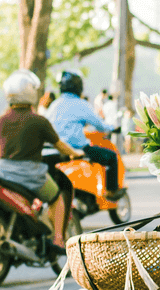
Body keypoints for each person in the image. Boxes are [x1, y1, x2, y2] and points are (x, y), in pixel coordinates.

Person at [0, 70, 82, 249]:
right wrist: (75, 154)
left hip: (1, 171)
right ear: (30, 92)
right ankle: (58, 239)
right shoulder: (38, 121)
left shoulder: (0, 120)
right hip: (29, 174)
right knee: (56, 197)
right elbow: (60, 145)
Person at [47, 71, 124, 199]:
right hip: (78, 149)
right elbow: (100, 125)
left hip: (54, 149)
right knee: (111, 157)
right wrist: (113, 128)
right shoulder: (81, 104)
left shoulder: (54, 105)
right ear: (78, 86)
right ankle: (111, 192)